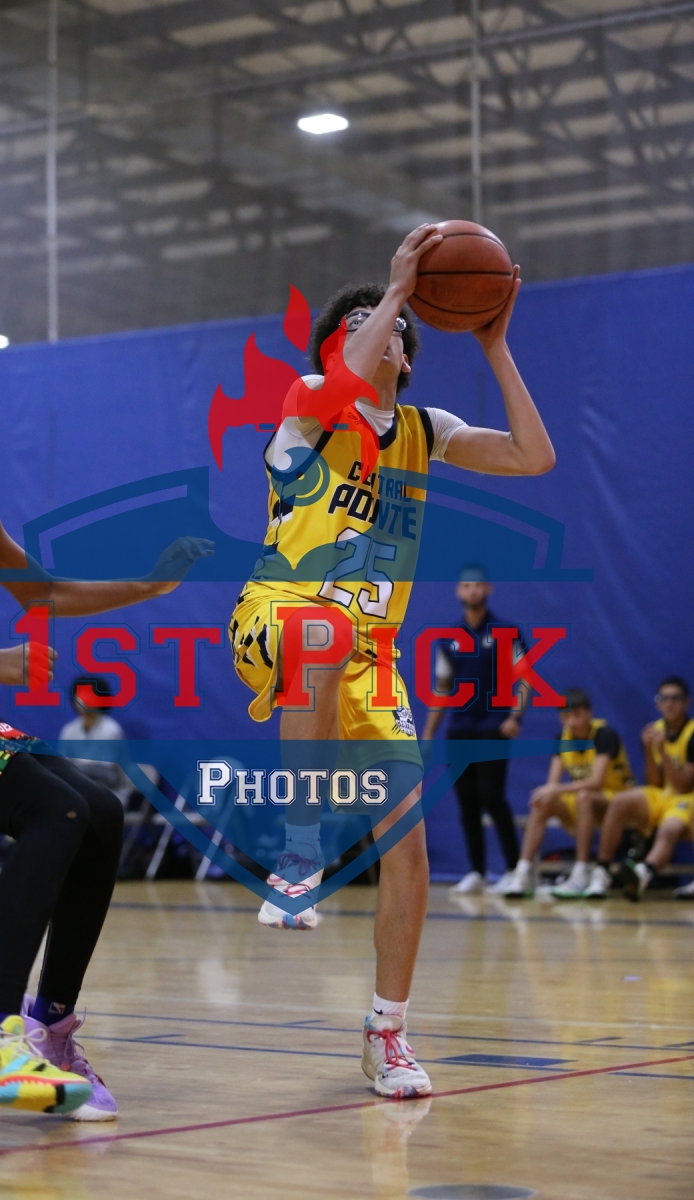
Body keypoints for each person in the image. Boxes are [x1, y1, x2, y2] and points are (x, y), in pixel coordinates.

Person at [229, 223, 555, 1098]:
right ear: (336, 346)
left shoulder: (424, 430)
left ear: (409, 358)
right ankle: (299, 852)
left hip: (371, 657)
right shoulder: (308, 401)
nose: (389, 331)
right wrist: (398, 289)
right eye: (366, 322)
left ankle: (387, 1034)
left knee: (407, 846)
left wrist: (494, 345)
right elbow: (343, 376)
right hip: (277, 618)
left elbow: (535, 456)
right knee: (321, 632)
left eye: (400, 328)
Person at [0, 339, 212, 1119]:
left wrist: (149, 583)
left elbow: (42, 592)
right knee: (58, 807)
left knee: (99, 809)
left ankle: (49, 1031)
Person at [422, 568, 524, 895]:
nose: (473, 591)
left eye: (478, 585)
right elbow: (442, 687)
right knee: (466, 801)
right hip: (460, 728)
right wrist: (429, 733)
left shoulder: (507, 632)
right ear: (458, 592)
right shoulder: (449, 639)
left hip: (493, 726)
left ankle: (515, 869)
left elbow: (525, 678)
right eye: (466, 585)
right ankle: (477, 871)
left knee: (492, 797)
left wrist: (516, 716)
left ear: (488, 589)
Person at [499, 689, 633, 898]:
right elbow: (553, 783)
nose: (571, 721)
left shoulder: (604, 735)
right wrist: (548, 792)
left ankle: (581, 871)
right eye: (565, 716)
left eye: (576, 715)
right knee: (543, 801)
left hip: (615, 800)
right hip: (583, 801)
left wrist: (555, 788)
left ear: (589, 713)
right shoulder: (562, 738)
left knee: (584, 796)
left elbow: (596, 782)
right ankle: (522, 872)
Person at [585, 676, 694, 900]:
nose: (670, 703)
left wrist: (662, 751)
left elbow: (684, 786)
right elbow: (654, 782)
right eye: (664, 698)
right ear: (658, 704)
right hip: (664, 794)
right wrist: (648, 750)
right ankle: (602, 871)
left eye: (675, 698)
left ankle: (644, 872)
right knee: (620, 801)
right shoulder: (655, 730)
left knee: (669, 829)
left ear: (686, 703)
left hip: (687, 797)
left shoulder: (692, 733)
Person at [59, 677, 132, 805]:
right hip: (78, 792)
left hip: (110, 793)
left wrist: (75, 771)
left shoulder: (111, 731)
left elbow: (105, 774)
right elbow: (63, 767)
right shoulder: (69, 731)